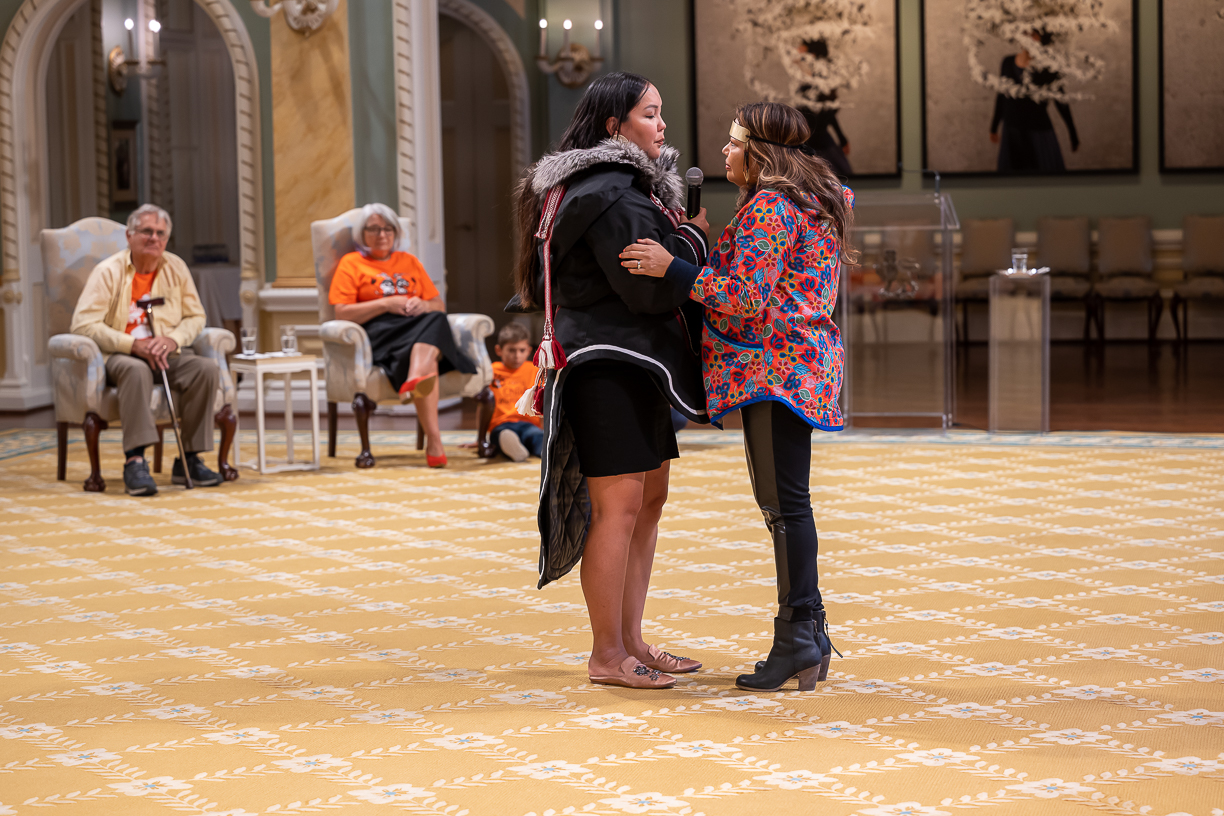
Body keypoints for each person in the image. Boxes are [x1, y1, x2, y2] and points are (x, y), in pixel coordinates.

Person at [619, 101, 855, 692]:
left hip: (776, 371)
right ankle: (809, 631)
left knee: (785, 506)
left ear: (758, 151)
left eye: (733, 142)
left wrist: (670, 267)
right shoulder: (806, 200)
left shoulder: (773, 206)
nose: (724, 151)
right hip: (794, 365)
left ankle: (797, 637)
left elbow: (745, 296)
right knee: (787, 505)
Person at [511, 71, 710, 689]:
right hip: (606, 366)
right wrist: (692, 242)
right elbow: (646, 292)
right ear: (613, 127)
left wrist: (678, 240)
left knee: (648, 502)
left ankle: (632, 641)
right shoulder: (611, 194)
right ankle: (606, 655)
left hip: (634, 363)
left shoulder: (618, 188)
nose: (662, 125)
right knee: (618, 510)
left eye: (661, 112)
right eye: (650, 114)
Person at [70, 203, 223, 497]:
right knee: (136, 370)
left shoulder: (176, 267)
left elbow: (196, 317)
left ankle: (190, 460)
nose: (154, 238)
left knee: (205, 369)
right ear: (129, 236)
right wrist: (132, 345)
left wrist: (172, 340)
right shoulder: (108, 272)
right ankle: (135, 461)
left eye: (160, 233)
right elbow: (83, 324)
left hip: (167, 354)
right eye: (147, 231)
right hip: (122, 356)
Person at [328, 203, 476, 468]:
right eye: (374, 229)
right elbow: (342, 313)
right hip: (379, 333)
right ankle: (433, 439)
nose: (382, 234)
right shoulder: (351, 263)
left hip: (415, 328)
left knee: (435, 317)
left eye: (388, 229)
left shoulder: (409, 261)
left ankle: (417, 383)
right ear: (362, 234)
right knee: (434, 332)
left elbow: (437, 305)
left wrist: (422, 304)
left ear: (395, 233)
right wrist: (385, 304)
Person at [989, 30, 1078, 174]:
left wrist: (1072, 133)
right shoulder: (1007, 62)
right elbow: (1001, 96)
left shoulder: (1049, 68)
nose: (1028, 37)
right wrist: (994, 126)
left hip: (1038, 133)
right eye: (1024, 32)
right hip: (1012, 131)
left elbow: (1060, 100)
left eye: (1034, 34)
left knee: (1044, 180)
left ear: (1042, 38)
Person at [488, 322, 543, 462]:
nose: (517, 355)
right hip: (501, 424)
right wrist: (480, 439)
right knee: (501, 435)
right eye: (511, 350)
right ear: (499, 350)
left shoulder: (535, 370)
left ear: (529, 350)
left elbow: (542, 402)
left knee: (537, 436)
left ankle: (545, 451)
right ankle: (514, 448)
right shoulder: (491, 371)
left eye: (522, 350)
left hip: (528, 423)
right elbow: (483, 405)